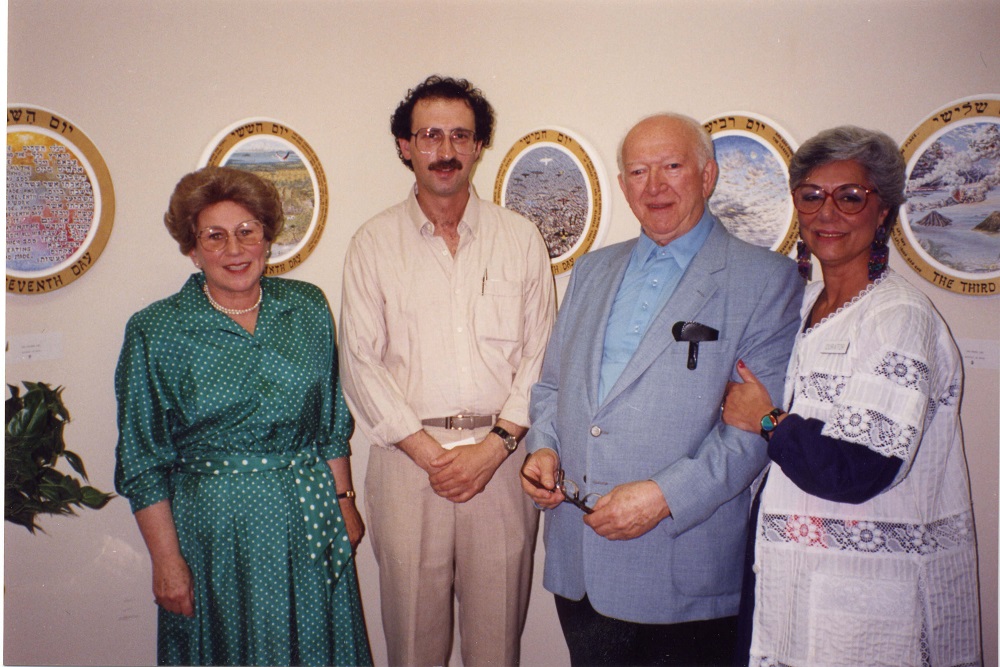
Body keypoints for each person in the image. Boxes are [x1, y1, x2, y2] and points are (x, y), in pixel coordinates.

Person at [520, 113, 803, 666]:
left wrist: (663, 497)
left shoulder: (766, 281)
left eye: (672, 166)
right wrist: (544, 448)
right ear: (623, 186)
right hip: (579, 559)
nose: (655, 186)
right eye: (638, 171)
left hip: (681, 567)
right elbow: (553, 386)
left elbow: (751, 431)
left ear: (707, 174)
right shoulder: (591, 271)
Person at [721, 126, 981, 666]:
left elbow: (862, 467)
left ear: (882, 210)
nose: (827, 212)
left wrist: (768, 421)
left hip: (866, 595)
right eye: (811, 195)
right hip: (794, 578)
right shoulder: (804, 302)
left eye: (851, 196)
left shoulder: (897, 318)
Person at [114, 166, 372, 667]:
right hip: (215, 535)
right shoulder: (156, 329)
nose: (234, 250)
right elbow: (143, 462)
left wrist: (345, 503)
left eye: (246, 232)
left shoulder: (307, 306)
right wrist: (166, 562)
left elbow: (329, 423)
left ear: (267, 239)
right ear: (192, 248)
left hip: (308, 516)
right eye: (215, 236)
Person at [339, 75, 556, 666]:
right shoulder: (372, 244)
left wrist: (493, 449)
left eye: (461, 135)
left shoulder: (520, 239)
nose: (446, 149)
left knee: (495, 650)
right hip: (408, 468)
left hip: (502, 463)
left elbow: (543, 353)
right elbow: (359, 362)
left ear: (480, 146)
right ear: (405, 146)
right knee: (413, 646)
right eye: (430, 134)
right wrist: (433, 455)